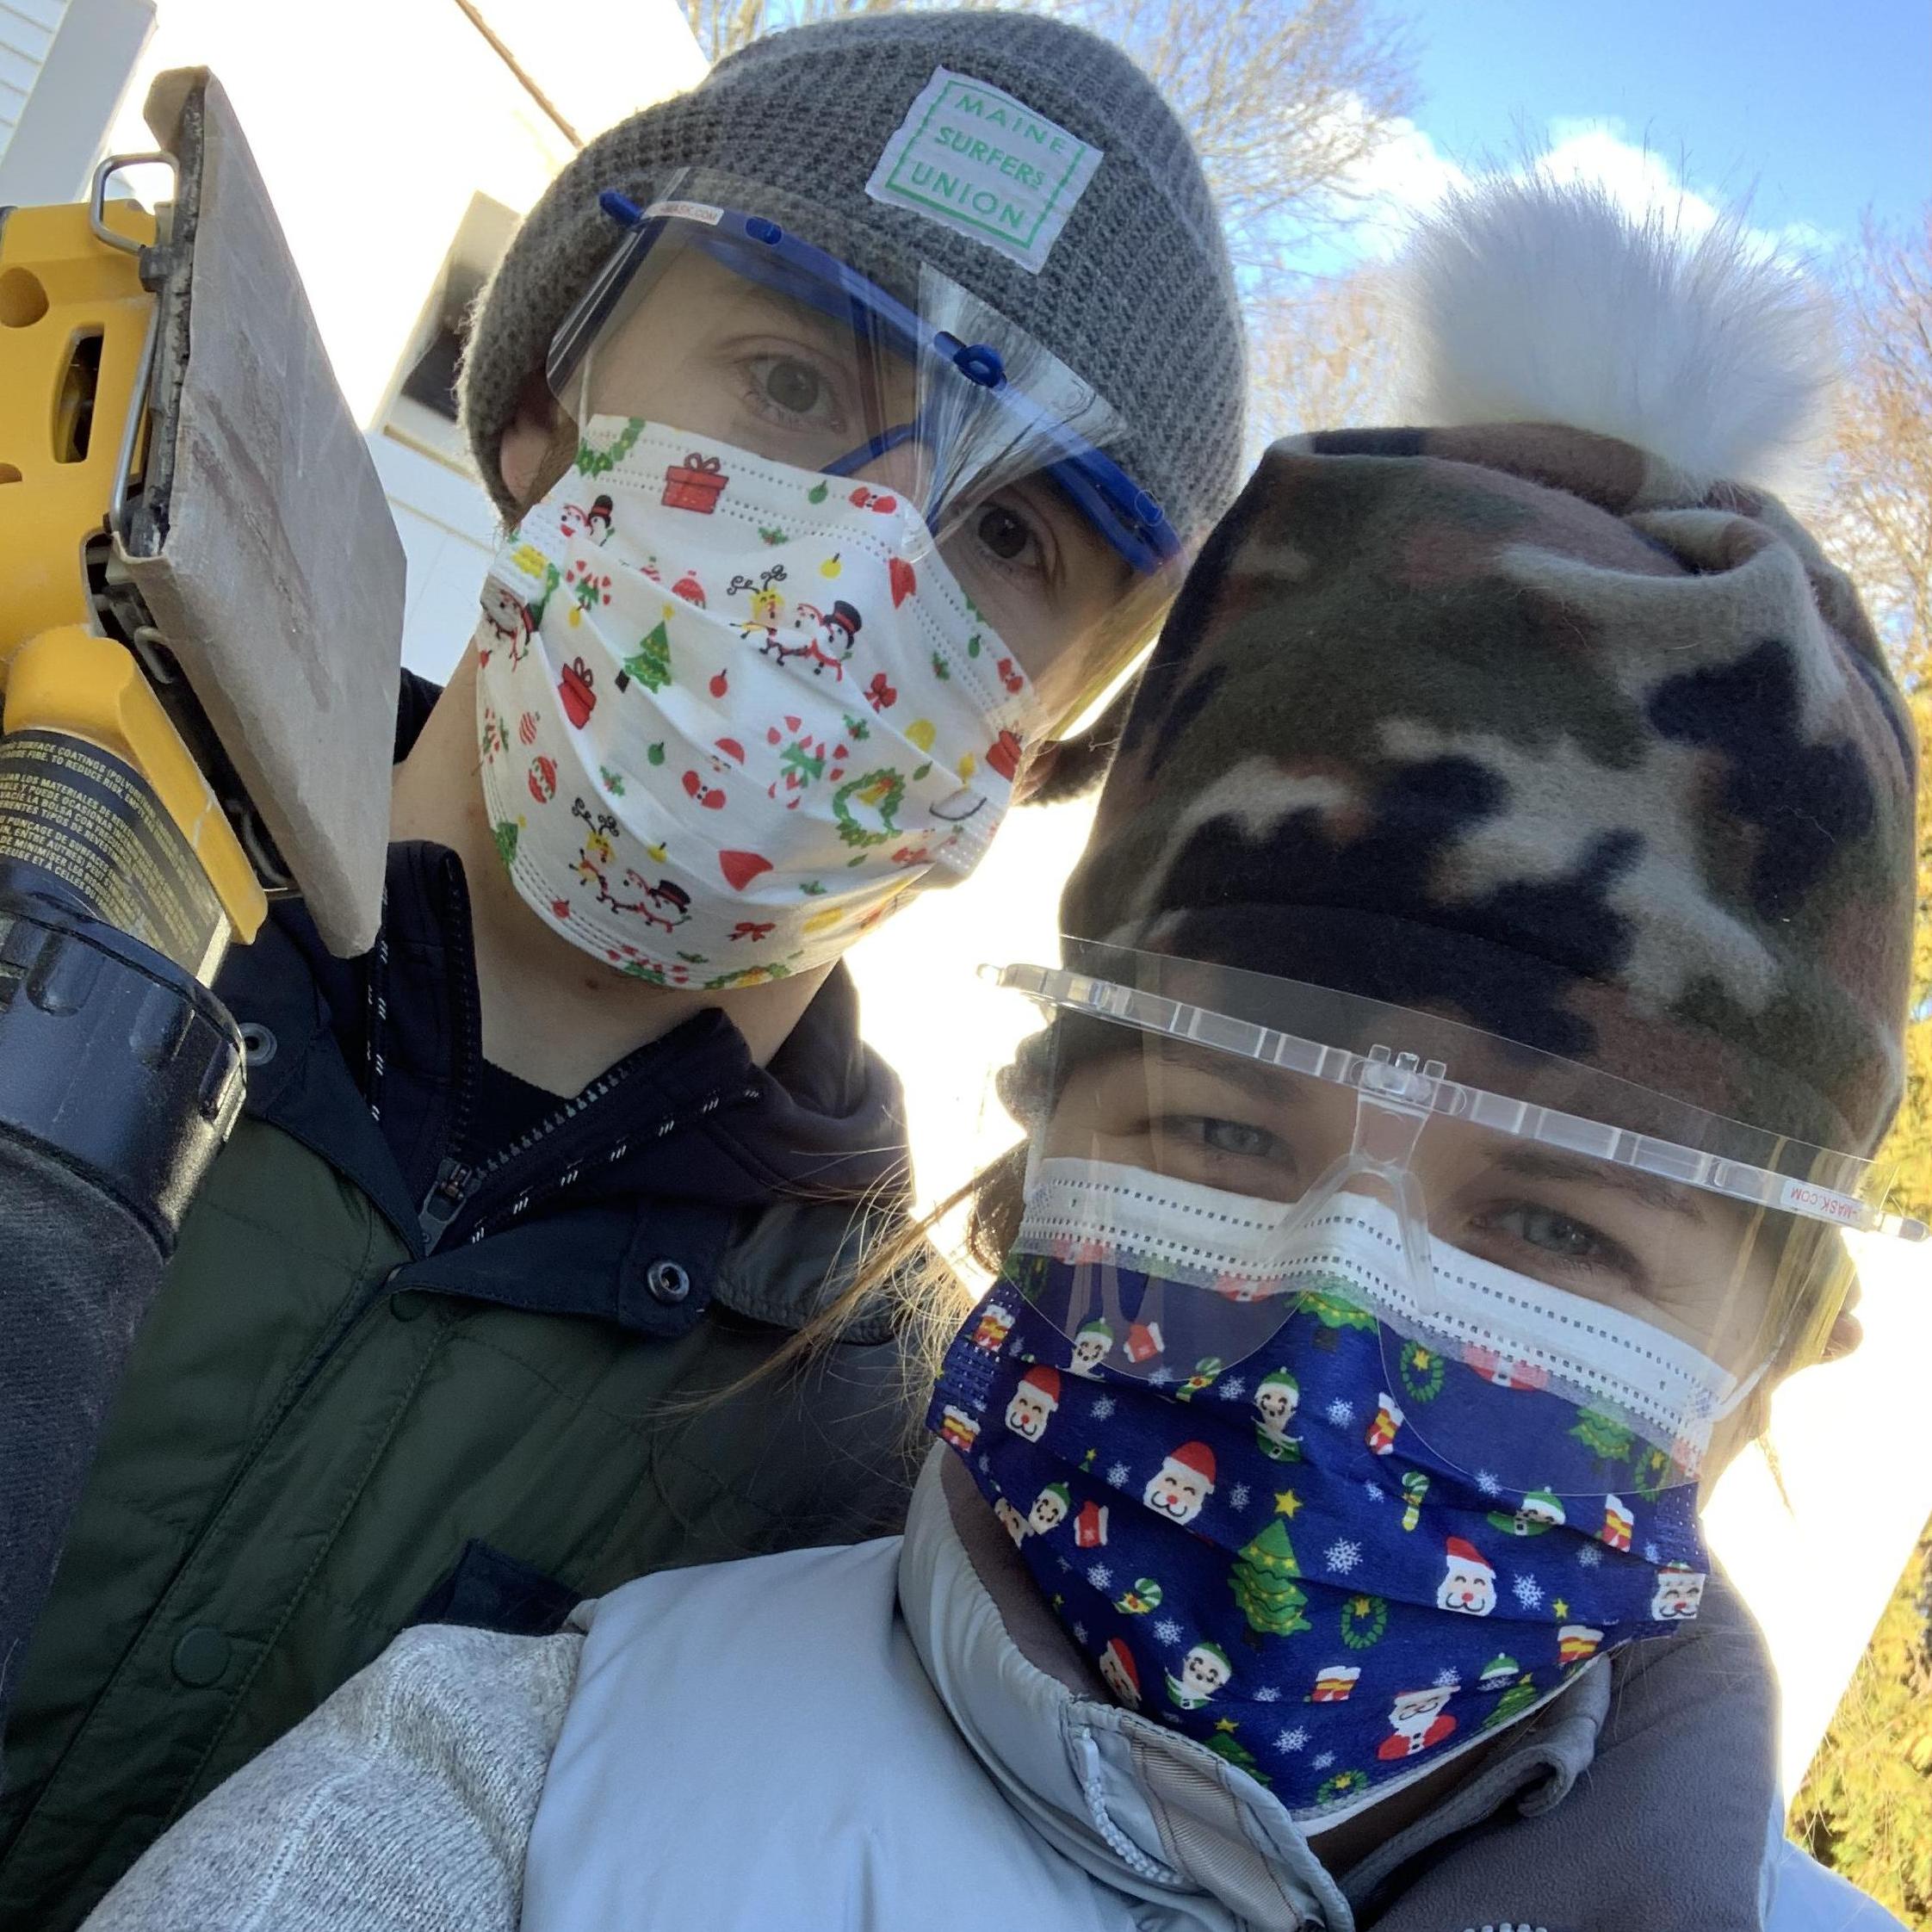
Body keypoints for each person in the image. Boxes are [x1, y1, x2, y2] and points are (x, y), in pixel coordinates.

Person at [73, 176, 1920, 1932]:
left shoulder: (820, 1417)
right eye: (1226, 1130)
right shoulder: (527, 1779)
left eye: (1562, 1226)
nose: (1334, 1327)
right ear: (1043, 1155)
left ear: (1783, 1345)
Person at [0, 13, 1246, 1925]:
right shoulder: (57, 857)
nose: (862, 568)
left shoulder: (861, 1472)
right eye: (793, 379)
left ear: (1050, 738)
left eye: (1011, 531)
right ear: (544, 401)